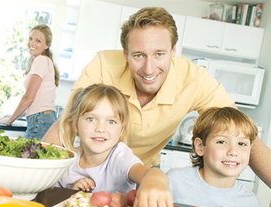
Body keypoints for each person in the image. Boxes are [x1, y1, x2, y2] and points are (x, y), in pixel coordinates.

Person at [43, 7, 271, 189]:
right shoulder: (104, 64)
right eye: (138, 55)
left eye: (159, 54)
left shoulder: (195, 79)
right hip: (92, 166)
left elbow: (241, 131)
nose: (149, 69)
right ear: (125, 55)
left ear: (173, 52)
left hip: (142, 169)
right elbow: (68, 121)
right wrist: (42, 176)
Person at [56, 84, 173, 207]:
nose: (100, 129)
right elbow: (55, 206)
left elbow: (148, 173)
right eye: (91, 119)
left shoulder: (120, 156)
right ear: (75, 125)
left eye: (111, 121)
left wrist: (154, 181)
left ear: (121, 130)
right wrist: (73, 193)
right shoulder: (67, 163)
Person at [167, 107, 260, 207]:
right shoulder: (173, 181)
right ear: (200, 147)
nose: (233, 152)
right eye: (221, 142)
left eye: (242, 144)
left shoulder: (250, 203)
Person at [0, 24, 59, 141]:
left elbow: (28, 98)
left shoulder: (41, 60)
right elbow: (35, 101)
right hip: (44, 118)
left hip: (39, 120)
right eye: (30, 38)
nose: (32, 43)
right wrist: (14, 116)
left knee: (29, 158)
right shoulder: (44, 61)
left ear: (47, 45)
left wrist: (10, 120)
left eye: (38, 41)